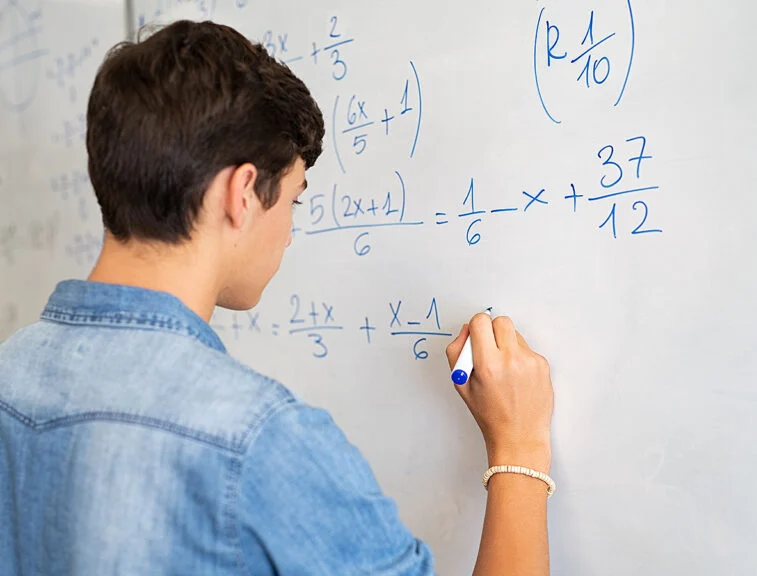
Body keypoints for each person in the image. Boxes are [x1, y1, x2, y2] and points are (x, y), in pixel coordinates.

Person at [0, 20, 554, 576]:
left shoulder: (11, 372)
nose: (289, 231)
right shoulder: (262, 439)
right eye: (293, 200)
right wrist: (520, 449)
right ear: (242, 194)